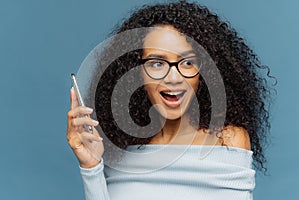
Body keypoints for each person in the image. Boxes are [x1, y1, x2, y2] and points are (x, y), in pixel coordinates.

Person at [67, 1, 272, 199]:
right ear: (135, 72)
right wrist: (91, 167)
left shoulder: (227, 141)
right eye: (157, 64)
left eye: (187, 62)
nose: (173, 78)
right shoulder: (121, 149)